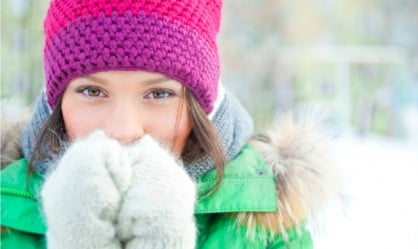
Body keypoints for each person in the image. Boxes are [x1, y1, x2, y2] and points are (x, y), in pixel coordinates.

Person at [0, 1, 341, 248]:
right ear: (55, 102)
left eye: (159, 93)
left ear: (200, 105)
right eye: (92, 91)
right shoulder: (6, 212)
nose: (123, 130)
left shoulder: (264, 218)